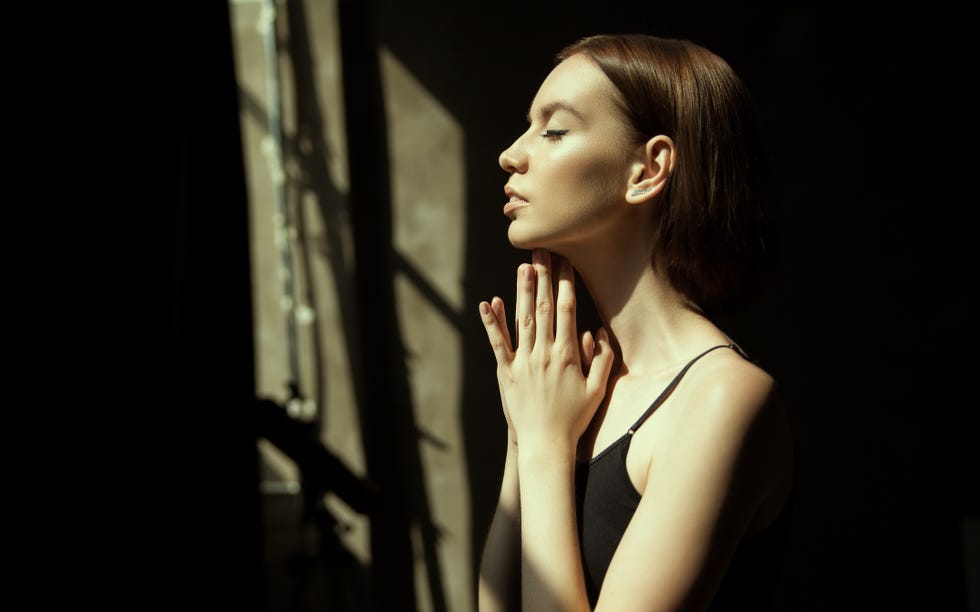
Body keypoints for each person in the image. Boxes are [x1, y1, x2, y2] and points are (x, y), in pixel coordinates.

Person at [476, 33, 794, 611]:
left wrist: (546, 445)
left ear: (648, 169)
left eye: (553, 130)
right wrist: (527, 427)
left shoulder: (723, 397)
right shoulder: (562, 387)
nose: (511, 153)